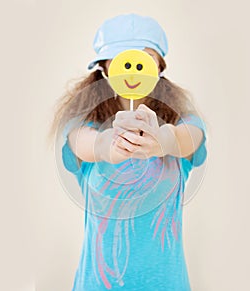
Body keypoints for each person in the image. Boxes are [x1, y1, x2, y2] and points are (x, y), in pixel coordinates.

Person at [48, 13, 208, 291]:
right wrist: (107, 144)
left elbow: (191, 137)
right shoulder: (81, 125)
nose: (133, 69)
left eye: (143, 58)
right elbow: (82, 143)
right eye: (122, 57)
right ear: (104, 67)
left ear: (159, 66)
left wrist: (164, 139)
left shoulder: (183, 121)